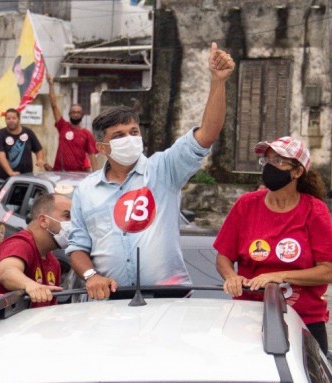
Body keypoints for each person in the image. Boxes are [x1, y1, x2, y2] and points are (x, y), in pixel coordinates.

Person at [66, 42, 235, 300]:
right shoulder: (86, 190)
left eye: (134, 132)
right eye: (119, 135)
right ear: (102, 147)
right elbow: (77, 246)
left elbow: (207, 135)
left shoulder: (163, 169)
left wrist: (218, 82)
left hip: (167, 298)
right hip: (109, 300)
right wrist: (91, 276)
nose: (130, 139)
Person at [213, 136, 332, 353]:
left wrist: (279, 276)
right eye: (267, 161)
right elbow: (223, 256)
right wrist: (231, 277)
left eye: (279, 162)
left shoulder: (314, 211)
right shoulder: (246, 205)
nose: (271, 167)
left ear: (297, 171)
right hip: (247, 317)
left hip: (304, 321)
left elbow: (328, 272)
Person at [0, 193, 69, 313]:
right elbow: (8, 272)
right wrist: (30, 285)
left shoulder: (53, 263)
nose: (73, 223)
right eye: (67, 216)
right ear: (43, 221)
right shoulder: (20, 244)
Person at [46, 74, 98, 171]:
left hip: (78, 175)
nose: (75, 114)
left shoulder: (87, 134)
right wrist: (51, 84)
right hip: (59, 173)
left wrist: (96, 176)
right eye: (73, 112)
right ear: (69, 114)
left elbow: (92, 156)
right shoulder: (63, 126)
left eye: (78, 112)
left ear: (82, 115)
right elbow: (53, 105)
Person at [0, 108, 46, 181]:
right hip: (5, 178)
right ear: (5, 120)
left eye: (14, 118)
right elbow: (1, 157)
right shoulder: (0, 134)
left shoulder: (28, 132)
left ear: (19, 119)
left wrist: (40, 159)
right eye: (8, 118)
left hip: (26, 177)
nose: (11, 120)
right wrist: (10, 172)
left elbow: (38, 149)